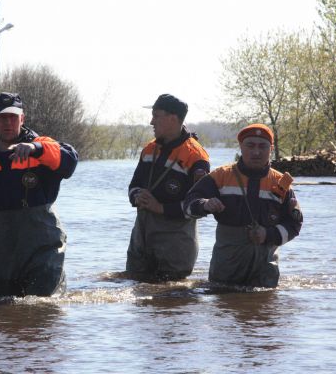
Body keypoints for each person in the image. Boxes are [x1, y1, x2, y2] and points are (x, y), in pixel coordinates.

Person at [0, 92, 78, 297]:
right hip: (2, 256)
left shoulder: (42, 148)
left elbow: (70, 160)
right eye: (2, 117)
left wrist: (34, 148)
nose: (8, 122)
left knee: (42, 306)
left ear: (22, 119)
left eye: (13, 117)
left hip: (43, 250)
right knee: (0, 308)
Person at [183, 124, 303, 288]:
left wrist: (268, 234)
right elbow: (188, 204)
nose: (256, 152)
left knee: (266, 308)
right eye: (250, 145)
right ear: (241, 147)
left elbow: (295, 224)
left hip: (265, 274)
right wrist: (205, 205)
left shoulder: (282, 183)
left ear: (271, 148)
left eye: (262, 146)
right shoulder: (221, 176)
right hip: (225, 271)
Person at [126, 93, 210, 282]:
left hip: (176, 244)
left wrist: (160, 208)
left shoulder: (196, 157)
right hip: (142, 236)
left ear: (173, 119)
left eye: (156, 116)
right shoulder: (149, 149)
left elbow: (198, 206)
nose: (151, 122)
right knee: (136, 291)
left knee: (171, 298)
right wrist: (137, 195)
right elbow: (133, 185)